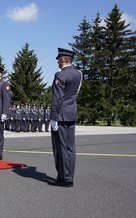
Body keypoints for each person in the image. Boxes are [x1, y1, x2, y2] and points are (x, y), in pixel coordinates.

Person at [48, 48, 83, 188]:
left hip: (61, 116)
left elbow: (57, 98)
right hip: (71, 114)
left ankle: (64, 178)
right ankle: (69, 176)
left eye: (58, 59)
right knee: (70, 148)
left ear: (63, 59)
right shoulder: (78, 74)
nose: (57, 62)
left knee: (60, 148)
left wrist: (53, 118)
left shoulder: (60, 75)